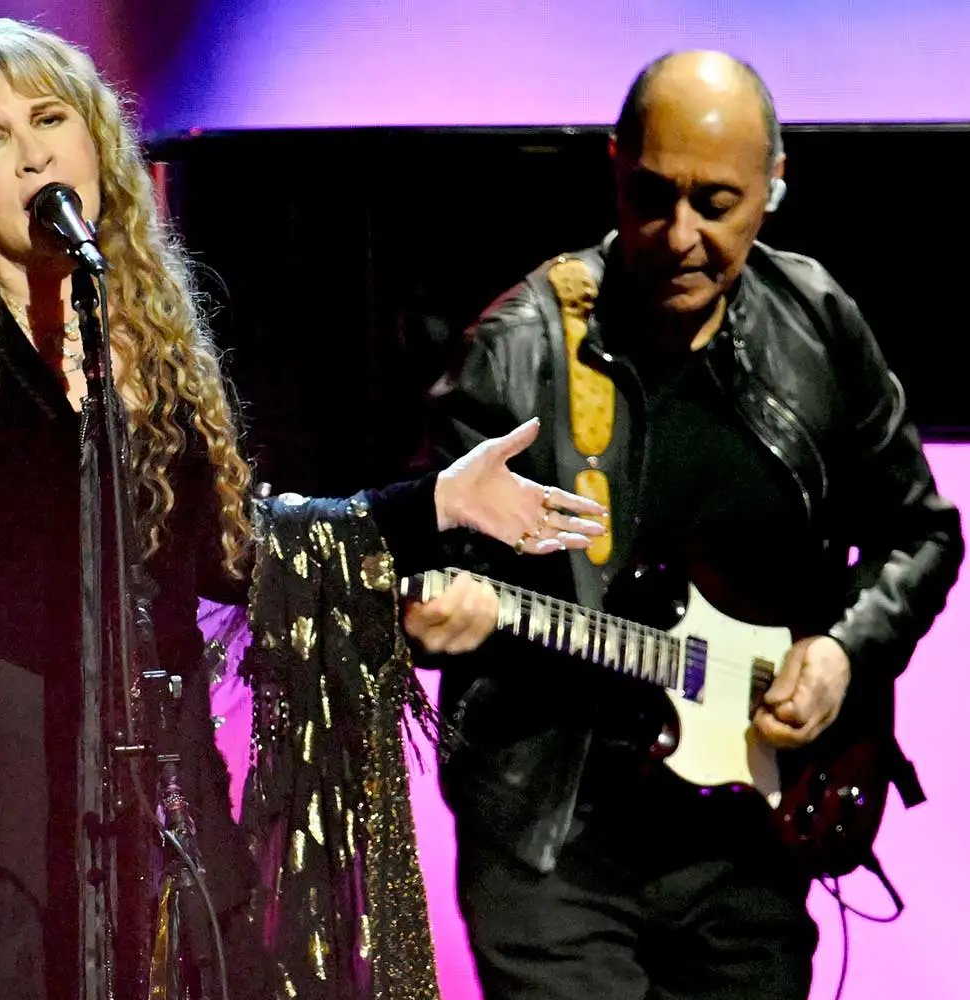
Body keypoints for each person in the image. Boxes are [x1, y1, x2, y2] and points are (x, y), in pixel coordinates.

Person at [0, 19, 602, 1000]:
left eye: (50, 119)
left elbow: (236, 553)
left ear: (98, 141)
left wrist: (434, 501)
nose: (32, 150)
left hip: (155, 785)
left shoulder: (144, 326)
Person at [407, 50, 964, 1000]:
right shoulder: (519, 348)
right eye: (651, 195)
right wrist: (427, 614)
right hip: (554, 837)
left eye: (717, 203)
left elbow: (922, 534)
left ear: (774, 186)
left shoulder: (817, 322)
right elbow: (418, 561)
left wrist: (839, 654)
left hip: (746, 844)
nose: (679, 236)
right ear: (615, 166)